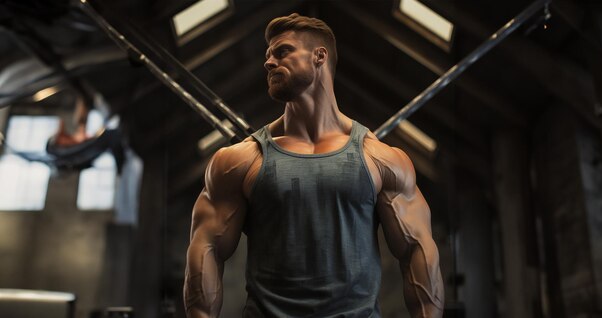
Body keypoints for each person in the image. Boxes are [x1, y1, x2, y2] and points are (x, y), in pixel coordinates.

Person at [184, 13, 444, 318]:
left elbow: (416, 250)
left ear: (319, 57)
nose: (268, 63)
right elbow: (206, 250)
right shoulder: (239, 160)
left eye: (282, 52)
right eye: (267, 55)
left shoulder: (381, 158)